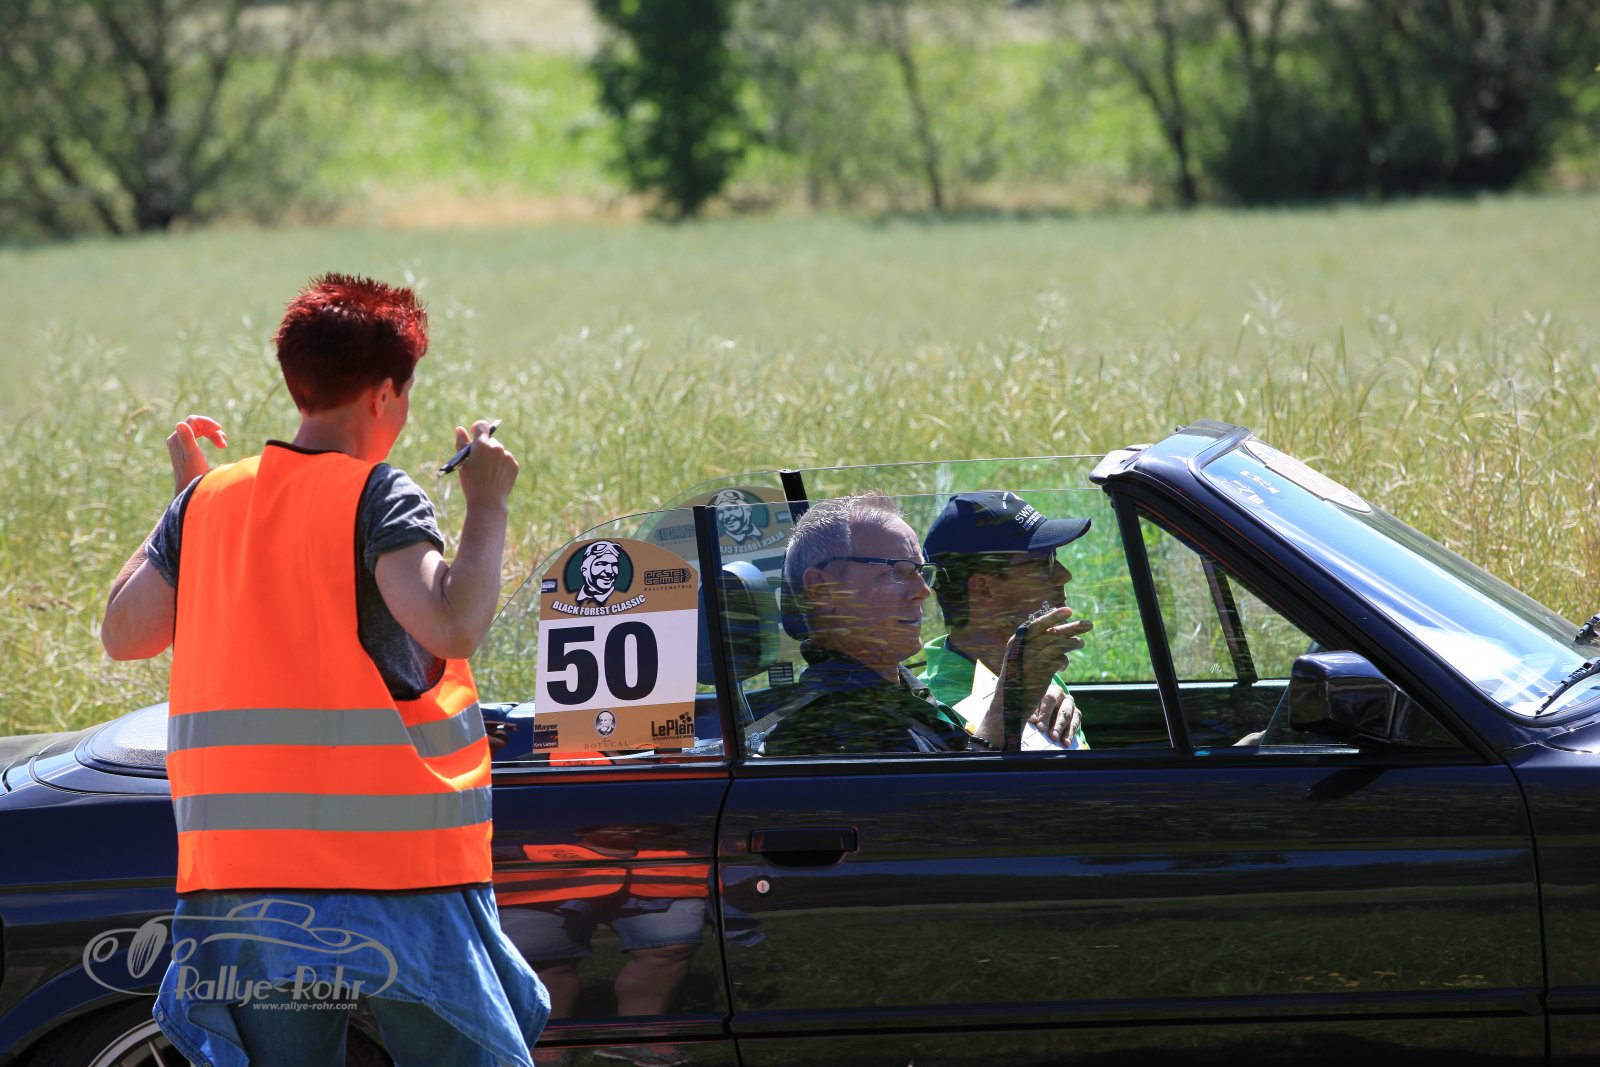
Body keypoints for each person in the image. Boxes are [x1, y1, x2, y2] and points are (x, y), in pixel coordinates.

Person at [100, 274, 549, 1067]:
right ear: (384, 395)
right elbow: (452, 622)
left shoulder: (210, 502)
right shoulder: (377, 493)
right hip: (396, 869)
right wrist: (487, 502)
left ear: (297, 382)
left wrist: (184, 504)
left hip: (246, 874)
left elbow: (123, 633)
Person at [756, 492, 1077, 756]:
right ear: (823, 590)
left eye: (922, 573)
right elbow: (960, 807)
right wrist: (1010, 705)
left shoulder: (903, 695)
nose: (923, 591)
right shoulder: (827, 727)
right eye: (898, 572)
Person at [920, 491, 1095, 750]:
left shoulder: (1028, 668)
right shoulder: (937, 709)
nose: (1064, 575)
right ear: (983, 588)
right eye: (1044, 563)